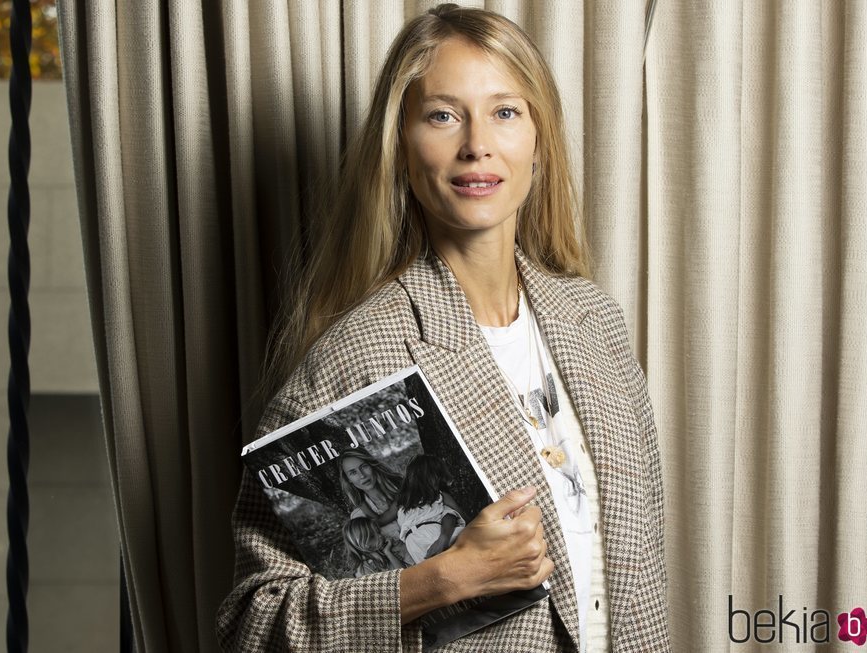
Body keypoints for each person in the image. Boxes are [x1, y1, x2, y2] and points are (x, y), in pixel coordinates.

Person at [217, 4, 669, 653]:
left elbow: (638, 571)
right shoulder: (357, 357)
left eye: (505, 112)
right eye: (443, 114)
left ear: (539, 142)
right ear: (401, 148)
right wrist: (443, 579)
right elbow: (251, 625)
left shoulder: (595, 323)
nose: (476, 143)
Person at [394, 454, 466, 564]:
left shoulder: (439, 496)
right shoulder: (404, 505)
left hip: (429, 534)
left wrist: (443, 538)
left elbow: (459, 514)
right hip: (414, 544)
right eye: (437, 475)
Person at [342, 517, 408, 578]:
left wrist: (388, 553)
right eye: (372, 536)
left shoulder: (386, 549)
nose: (379, 536)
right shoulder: (364, 569)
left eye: (378, 532)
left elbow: (406, 573)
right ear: (360, 544)